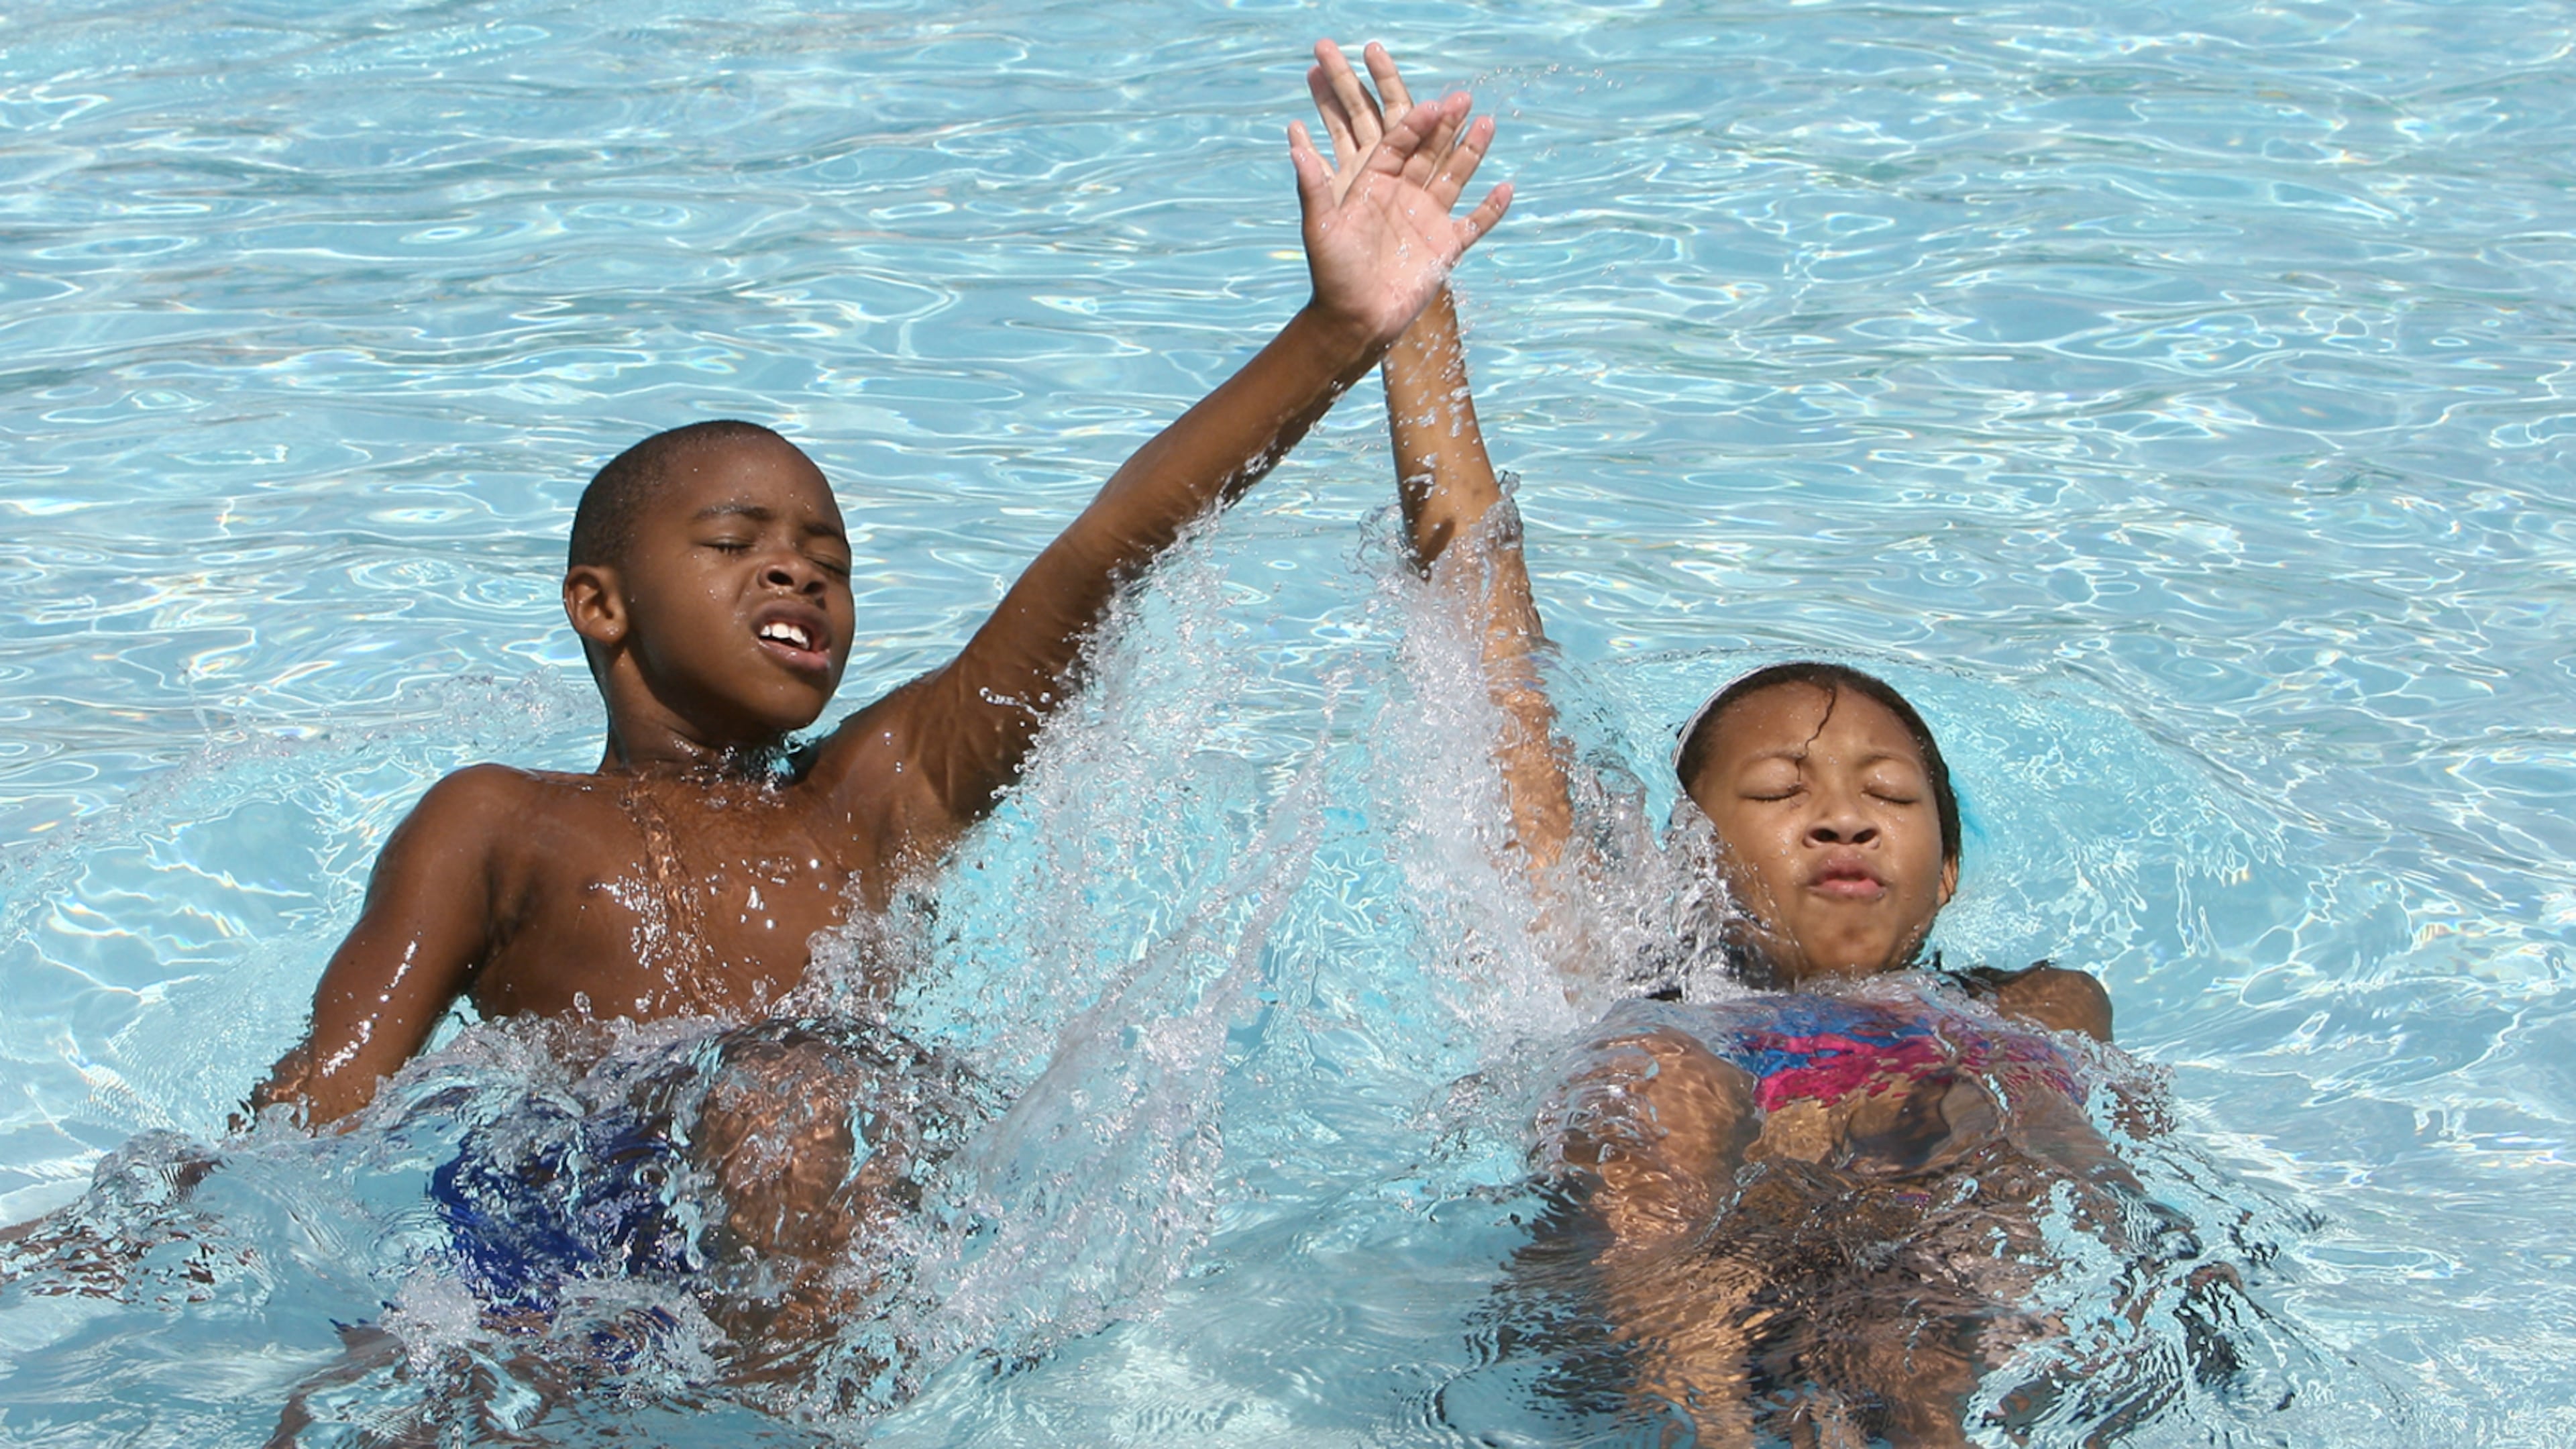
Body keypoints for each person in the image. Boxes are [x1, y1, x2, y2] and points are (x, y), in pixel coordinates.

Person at [1307, 42, 2129, 1446]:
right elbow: (1493, 657)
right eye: (1779, 788)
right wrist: (1413, 324)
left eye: (1890, 796)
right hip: (1641, 1332)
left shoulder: (2022, 1009)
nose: (1846, 815)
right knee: (1651, 1079)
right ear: (1687, 853)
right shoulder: (1641, 976)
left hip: (1934, 1325)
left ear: (1946, 879)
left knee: (1979, 1073)